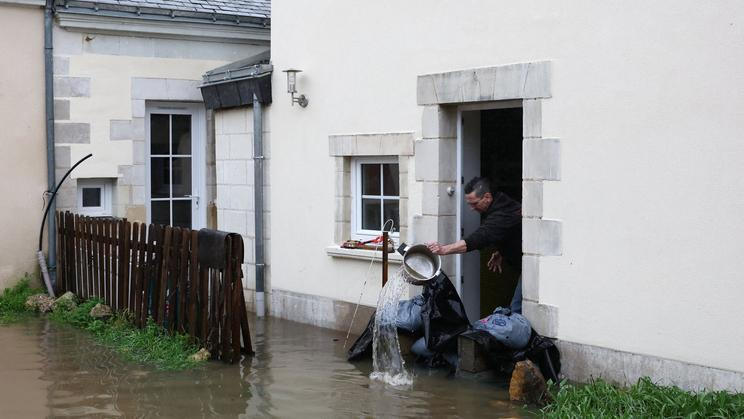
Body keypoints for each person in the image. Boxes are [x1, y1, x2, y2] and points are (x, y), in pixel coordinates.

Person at [426, 177, 523, 313]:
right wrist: (502, 251)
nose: (472, 209)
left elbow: (478, 238)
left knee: (517, 309)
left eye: (474, 204)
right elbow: (509, 231)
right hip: (519, 263)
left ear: (487, 197)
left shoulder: (503, 214)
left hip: (531, 266)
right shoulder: (501, 203)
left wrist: (443, 249)